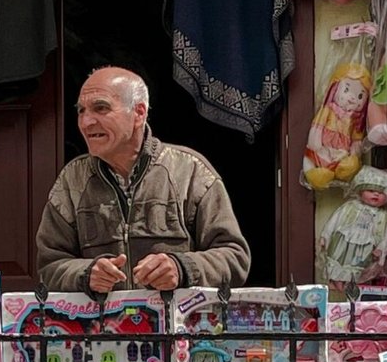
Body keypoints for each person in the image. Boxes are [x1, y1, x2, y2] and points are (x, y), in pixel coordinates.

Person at [36, 68, 251, 294]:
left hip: (177, 325)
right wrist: (86, 274)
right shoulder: (72, 180)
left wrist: (182, 268)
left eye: (101, 108)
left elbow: (234, 258)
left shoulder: (191, 172)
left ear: (139, 113)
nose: (86, 121)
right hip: (100, 326)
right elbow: (50, 265)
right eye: (81, 111)